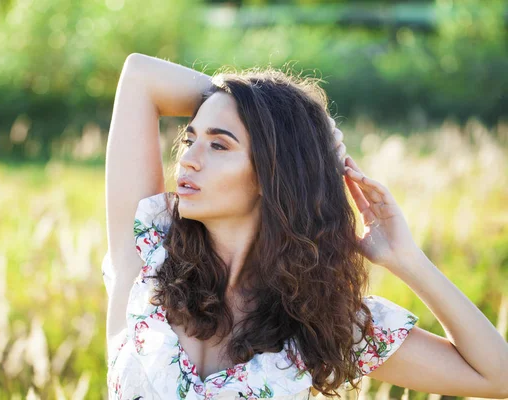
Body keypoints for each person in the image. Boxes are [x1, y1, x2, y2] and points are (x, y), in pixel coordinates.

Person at [102, 53, 508, 399]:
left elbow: (498, 377)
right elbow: (140, 75)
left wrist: (408, 261)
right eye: (190, 140)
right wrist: (277, 116)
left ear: (272, 174)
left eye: (219, 144)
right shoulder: (146, 255)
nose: (188, 158)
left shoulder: (318, 323)